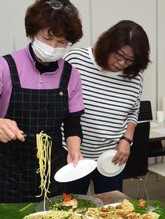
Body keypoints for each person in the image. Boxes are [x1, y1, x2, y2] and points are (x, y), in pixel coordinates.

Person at [0, 0, 84, 203]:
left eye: (61, 42)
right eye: (47, 38)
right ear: (33, 32)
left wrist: (74, 150)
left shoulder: (71, 74)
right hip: (9, 168)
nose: (53, 47)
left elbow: (73, 124)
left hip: (52, 165)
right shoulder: (5, 66)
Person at [63, 20, 150, 194]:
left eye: (129, 60)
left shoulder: (134, 76)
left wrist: (127, 140)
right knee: (72, 209)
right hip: (74, 155)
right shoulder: (75, 60)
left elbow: (134, 110)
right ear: (108, 44)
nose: (121, 63)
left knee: (112, 210)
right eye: (119, 55)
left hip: (110, 156)